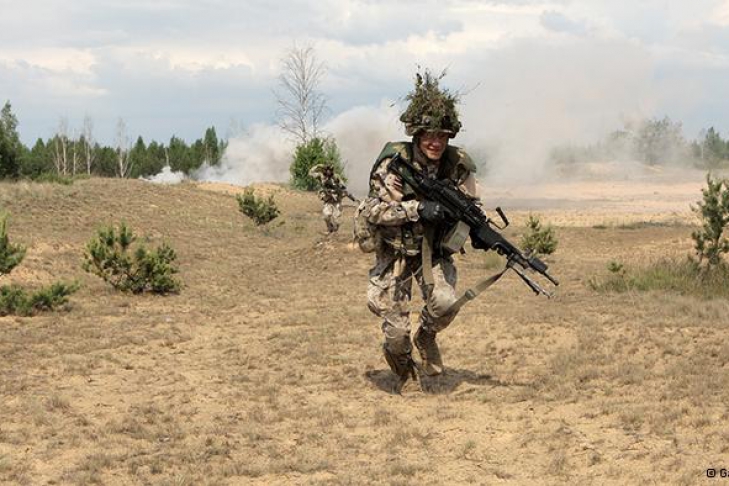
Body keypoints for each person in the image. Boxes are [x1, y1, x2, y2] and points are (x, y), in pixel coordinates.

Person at [362, 71, 481, 392]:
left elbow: (472, 207)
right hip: (396, 253)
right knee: (395, 336)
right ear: (416, 134)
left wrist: (476, 231)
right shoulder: (393, 165)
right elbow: (372, 211)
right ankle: (404, 370)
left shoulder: (456, 167)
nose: (435, 142)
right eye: (429, 135)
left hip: (433, 252)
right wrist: (416, 209)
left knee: (445, 303)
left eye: (442, 136)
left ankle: (426, 336)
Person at [308, 163, 355, 234]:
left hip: (336, 201)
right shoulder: (321, 176)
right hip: (328, 200)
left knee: (335, 218)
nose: (328, 172)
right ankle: (329, 229)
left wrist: (339, 187)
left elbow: (343, 187)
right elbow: (310, 173)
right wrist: (318, 166)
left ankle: (335, 231)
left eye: (330, 170)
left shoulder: (336, 177)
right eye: (327, 170)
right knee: (326, 216)